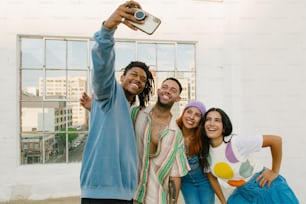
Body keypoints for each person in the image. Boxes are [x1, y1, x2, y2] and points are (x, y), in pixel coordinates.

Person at [80, 1, 154, 203]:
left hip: (126, 193)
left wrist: (93, 108)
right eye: (133, 75)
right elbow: (102, 68)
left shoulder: (136, 111)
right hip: (100, 193)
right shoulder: (109, 93)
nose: (138, 80)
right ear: (122, 77)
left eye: (143, 79)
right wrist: (107, 30)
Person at [203, 107, 299, 204]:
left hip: (265, 186)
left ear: (223, 128)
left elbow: (276, 141)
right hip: (244, 193)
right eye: (208, 119)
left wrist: (274, 172)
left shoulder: (236, 142)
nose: (211, 123)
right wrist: (223, 202)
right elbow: (212, 177)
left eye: (217, 120)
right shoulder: (205, 151)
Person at [130, 77, 190, 204]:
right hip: (128, 194)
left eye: (173, 90)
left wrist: (172, 203)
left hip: (155, 199)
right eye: (165, 87)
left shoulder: (176, 135)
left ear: (178, 99)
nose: (167, 91)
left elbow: (175, 175)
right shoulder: (136, 114)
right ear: (158, 91)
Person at [175, 101, 215, 204]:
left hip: (204, 181)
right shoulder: (173, 133)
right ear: (183, 113)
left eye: (197, 115)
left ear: (201, 121)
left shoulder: (203, 137)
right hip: (186, 182)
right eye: (189, 112)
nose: (192, 117)